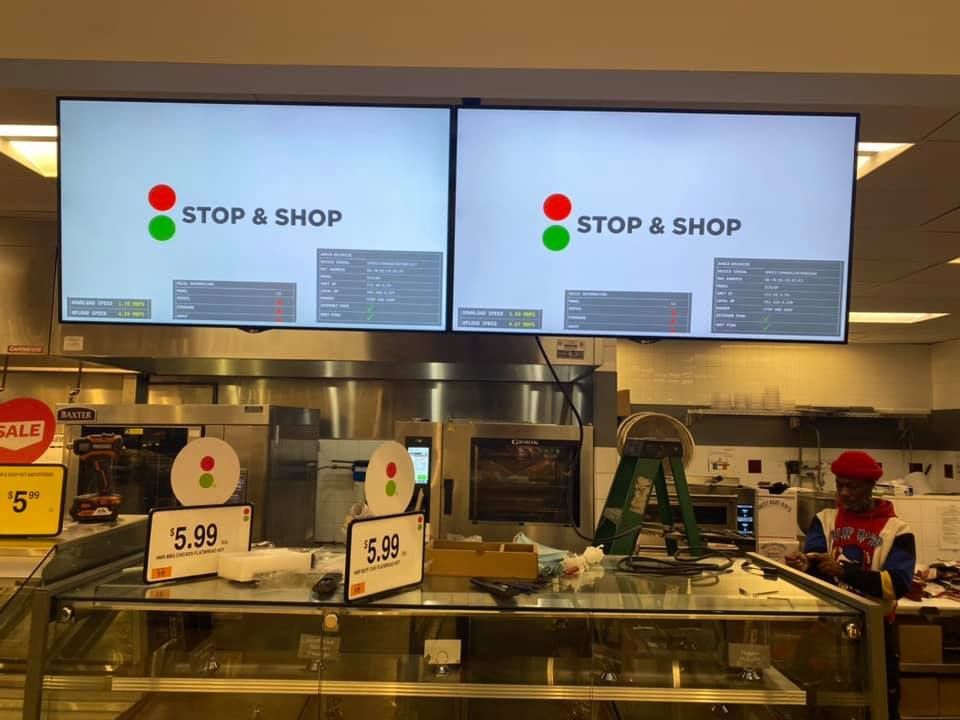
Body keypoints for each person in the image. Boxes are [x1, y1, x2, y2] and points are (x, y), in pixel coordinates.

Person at [786, 450, 916, 720]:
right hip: (827, 629)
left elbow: (895, 585)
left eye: (853, 487)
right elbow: (816, 564)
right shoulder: (825, 520)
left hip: (876, 631)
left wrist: (844, 572)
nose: (844, 493)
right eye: (840, 485)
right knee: (822, 703)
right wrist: (804, 564)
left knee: (879, 703)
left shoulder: (898, 530)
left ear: (870, 486)